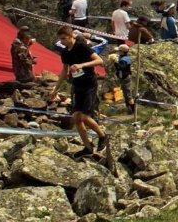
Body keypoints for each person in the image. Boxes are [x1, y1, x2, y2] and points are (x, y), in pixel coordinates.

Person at [49, 25, 108, 156]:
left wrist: (82, 65)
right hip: (77, 85)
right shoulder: (65, 52)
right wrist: (56, 89)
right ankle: (87, 146)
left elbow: (99, 60)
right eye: (60, 39)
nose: (62, 42)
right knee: (76, 118)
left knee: (84, 116)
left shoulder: (82, 46)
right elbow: (64, 71)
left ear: (71, 36)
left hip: (89, 84)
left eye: (64, 38)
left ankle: (102, 136)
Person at [114, 44, 135, 114]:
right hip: (123, 77)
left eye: (119, 51)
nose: (118, 52)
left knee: (128, 94)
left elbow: (121, 67)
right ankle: (129, 110)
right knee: (125, 93)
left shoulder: (124, 59)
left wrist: (115, 62)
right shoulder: (123, 57)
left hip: (125, 78)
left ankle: (132, 110)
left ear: (122, 52)